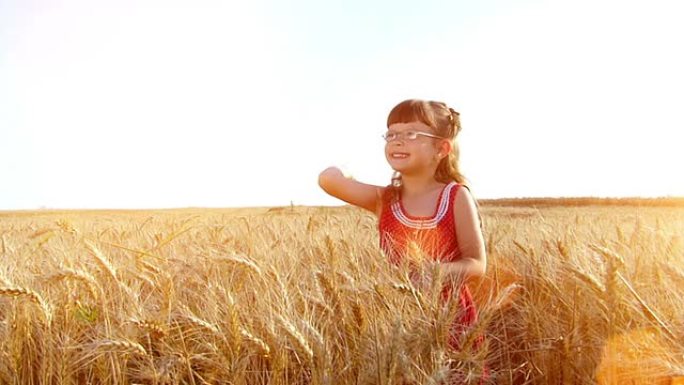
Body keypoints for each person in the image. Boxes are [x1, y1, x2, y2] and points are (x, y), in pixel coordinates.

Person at [318, 98, 488, 383]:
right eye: (391, 134)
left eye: (412, 134)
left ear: (441, 148)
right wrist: (348, 171)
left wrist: (433, 274)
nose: (397, 141)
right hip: (400, 315)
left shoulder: (455, 196)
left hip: (450, 318)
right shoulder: (384, 199)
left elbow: (477, 264)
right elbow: (328, 179)